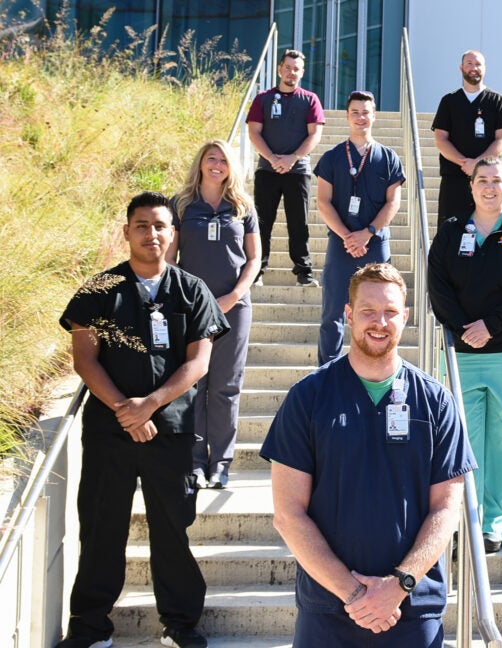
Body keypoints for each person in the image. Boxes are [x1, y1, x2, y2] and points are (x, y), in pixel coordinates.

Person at [261, 263, 476, 647]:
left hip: (412, 610)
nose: (380, 322)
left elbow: (446, 509)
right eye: (367, 311)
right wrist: (355, 595)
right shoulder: (308, 398)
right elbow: (288, 513)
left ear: (406, 318)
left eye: (391, 312)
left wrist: (399, 585)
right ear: (347, 315)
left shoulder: (435, 401)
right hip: (329, 610)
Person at [57, 192, 229, 648]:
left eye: (160, 225)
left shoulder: (192, 290)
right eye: (141, 225)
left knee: (172, 529)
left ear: (173, 233)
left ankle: (180, 626)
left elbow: (199, 364)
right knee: (100, 528)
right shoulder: (98, 292)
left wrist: (149, 405)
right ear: (126, 231)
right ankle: (91, 629)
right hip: (109, 433)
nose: (151, 234)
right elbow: (85, 360)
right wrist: (125, 411)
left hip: (169, 432)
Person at [427, 157, 502, 554]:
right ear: (472, 185)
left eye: (497, 180)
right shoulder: (450, 232)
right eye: (483, 180)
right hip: (464, 353)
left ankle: (497, 524)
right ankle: (468, 520)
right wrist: (465, 328)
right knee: (467, 443)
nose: (490, 187)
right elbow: (438, 286)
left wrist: (491, 326)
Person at [167, 140, 260, 489]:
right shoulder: (182, 204)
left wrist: (235, 295)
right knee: (193, 383)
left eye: (223, 159)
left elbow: (253, 259)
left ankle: (220, 463)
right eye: (211, 159)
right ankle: (193, 463)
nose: (217, 165)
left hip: (234, 309)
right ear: (201, 163)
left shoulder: (243, 206)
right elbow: (169, 259)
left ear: (231, 166)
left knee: (226, 386)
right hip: (191, 309)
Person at [314, 90, 405, 365]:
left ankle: (380, 364)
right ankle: (327, 372)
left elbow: (393, 203)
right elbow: (323, 201)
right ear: (347, 116)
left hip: (375, 243)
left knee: (382, 312)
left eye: (366, 112)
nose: (360, 117)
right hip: (341, 244)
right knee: (333, 314)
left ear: (374, 116)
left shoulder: (388, 158)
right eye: (355, 112)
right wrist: (347, 236)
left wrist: (367, 234)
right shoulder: (331, 158)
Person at [247, 49, 325, 287]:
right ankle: (257, 271)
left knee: (298, 222)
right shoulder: (263, 98)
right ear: (280, 69)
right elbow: (254, 131)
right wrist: (272, 157)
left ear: (302, 73)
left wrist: (293, 158)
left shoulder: (310, 99)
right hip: (267, 170)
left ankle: (303, 272)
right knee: (262, 222)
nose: (292, 72)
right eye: (288, 67)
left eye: (297, 69)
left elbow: (315, 134)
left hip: (298, 171)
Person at [431, 50, 502, 227]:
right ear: (461, 68)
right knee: (450, 231)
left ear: (485, 69)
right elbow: (440, 139)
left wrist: (477, 164)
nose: (473, 68)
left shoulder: (498, 101)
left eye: (478, 64)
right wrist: (464, 163)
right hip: (454, 177)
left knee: (486, 229)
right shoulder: (449, 101)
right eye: (469, 63)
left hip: (487, 179)